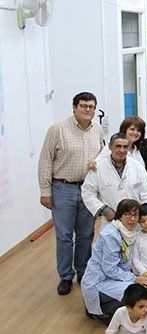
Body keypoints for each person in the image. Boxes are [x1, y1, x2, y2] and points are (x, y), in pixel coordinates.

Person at [38, 91, 104, 295]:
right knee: (65, 236)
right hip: (62, 188)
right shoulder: (57, 129)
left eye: (91, 106)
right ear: (74, 107)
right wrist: (45, 191)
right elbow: (45, 160)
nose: (88, 109)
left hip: (88, 189)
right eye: (83, 106)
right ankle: (65, 276)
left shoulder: (98, 130)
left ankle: (83, 271)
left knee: (86, 234)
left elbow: (102, 155)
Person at [81, 199, 147, 320]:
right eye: (127, 215)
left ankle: (105, 307)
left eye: (135, 215)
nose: (132, 219)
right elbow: (110, 270)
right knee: (136, 295)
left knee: (143, 292)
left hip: (117, 278)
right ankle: (102, 312)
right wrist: (135, 279)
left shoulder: (134, 230)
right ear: (119, 216)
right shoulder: (111, 235)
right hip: (99, 281)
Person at [82, 133, 147, 219]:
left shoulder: (137, 167)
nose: (122, 150)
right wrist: (105, 210)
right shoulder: (98, 168)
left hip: (135, 220)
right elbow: (87, 193)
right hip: (110, 220)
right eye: (118, 146)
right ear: (110, 147)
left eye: (125, 147)